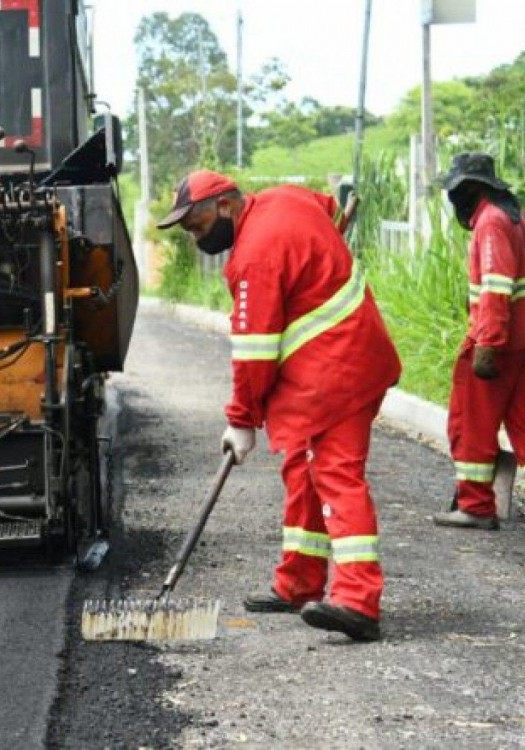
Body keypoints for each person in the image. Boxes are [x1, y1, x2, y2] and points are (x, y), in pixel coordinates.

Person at [157, 170, 402, 642]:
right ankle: (299, 584)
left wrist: (241, 421)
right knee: (300, 468)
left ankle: (358, 601)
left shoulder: (254, 257)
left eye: (196, 223)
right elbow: (330, 207)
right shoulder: (285, 197)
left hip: (341, 373)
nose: (193, 235)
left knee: (336, 474)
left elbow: (254, 352)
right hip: (336, 362)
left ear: (225, 206)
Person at [432, 153, 525, 537]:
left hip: (500, 340)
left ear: (471, 188)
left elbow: (496, 288)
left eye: (455, 191)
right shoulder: (510, 216)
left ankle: (476, 506)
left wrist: (488, 343)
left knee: (469, 422)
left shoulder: (491, 222)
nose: (453, 199)